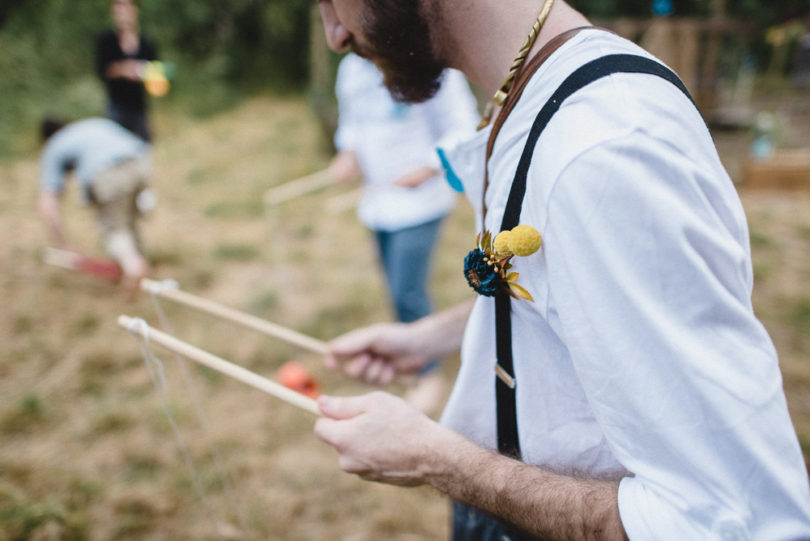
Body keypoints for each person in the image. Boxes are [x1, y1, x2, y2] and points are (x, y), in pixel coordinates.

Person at [312, 1, 810, 540]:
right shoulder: (534, 86)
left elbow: (728, 523)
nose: (335, 34)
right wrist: (436, 336)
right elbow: (570, 292)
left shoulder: (602, 151)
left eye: (332, 1)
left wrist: (439, 459)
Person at [326, 52, 479, 414]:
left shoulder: (425, 61)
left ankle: (427, 373)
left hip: (420, 203)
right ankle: (410, 353)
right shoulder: (351, 69)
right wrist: (348, 153)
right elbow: (353, 122)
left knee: (407, 288)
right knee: (393, 282)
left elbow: (462, 125)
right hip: (376, 202)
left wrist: (428, 167)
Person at [38, 117, 152, 292]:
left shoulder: (54, 146)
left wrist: (64, 245)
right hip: (138, 163)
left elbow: (48, 206)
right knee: (128, 221)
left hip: (108, 173)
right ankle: (136, 267)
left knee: (114, 229)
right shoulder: (93, 124)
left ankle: (133, 268)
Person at [95, 0, 158, 141]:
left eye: (125, 8)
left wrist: (144, 72)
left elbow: (156, 71)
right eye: (118, 9)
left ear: (135, 10)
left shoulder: (146, 42)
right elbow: (102, 70)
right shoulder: (107, 40)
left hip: (139, 103)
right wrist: (124, 69)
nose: (122, 14)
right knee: (116, 144)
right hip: (116, 104)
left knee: (145, 144)